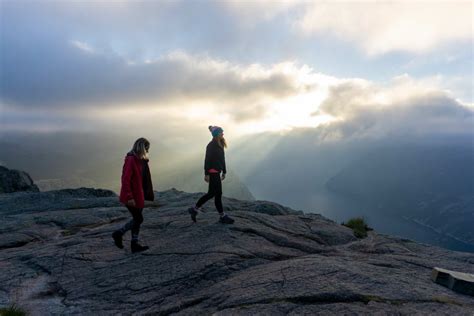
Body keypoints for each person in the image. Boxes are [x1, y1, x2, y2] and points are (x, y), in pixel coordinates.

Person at [112, 137, 154, 253]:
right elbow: (125, 179)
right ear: (141, 148)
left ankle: (134, 244)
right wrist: (129, 197)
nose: (147, 151)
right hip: (131, 197)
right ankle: (119, 233)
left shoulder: (140, 160)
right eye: (147, 148)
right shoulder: (131, 159)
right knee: (138, 219)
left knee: (137, 220)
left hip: (138, 196)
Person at [188, 126, 234, 224]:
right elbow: (207, 159)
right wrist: (206, 174)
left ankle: (195, 209)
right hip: (212, 172)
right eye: (221, 132)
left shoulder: (220, 144)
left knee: (214, 194)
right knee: (215, 194)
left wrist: (224, 171)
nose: (223, 134)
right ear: (216, 134)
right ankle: (222, 216)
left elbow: (223, 159)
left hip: (217, 171)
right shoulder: (211, 145)